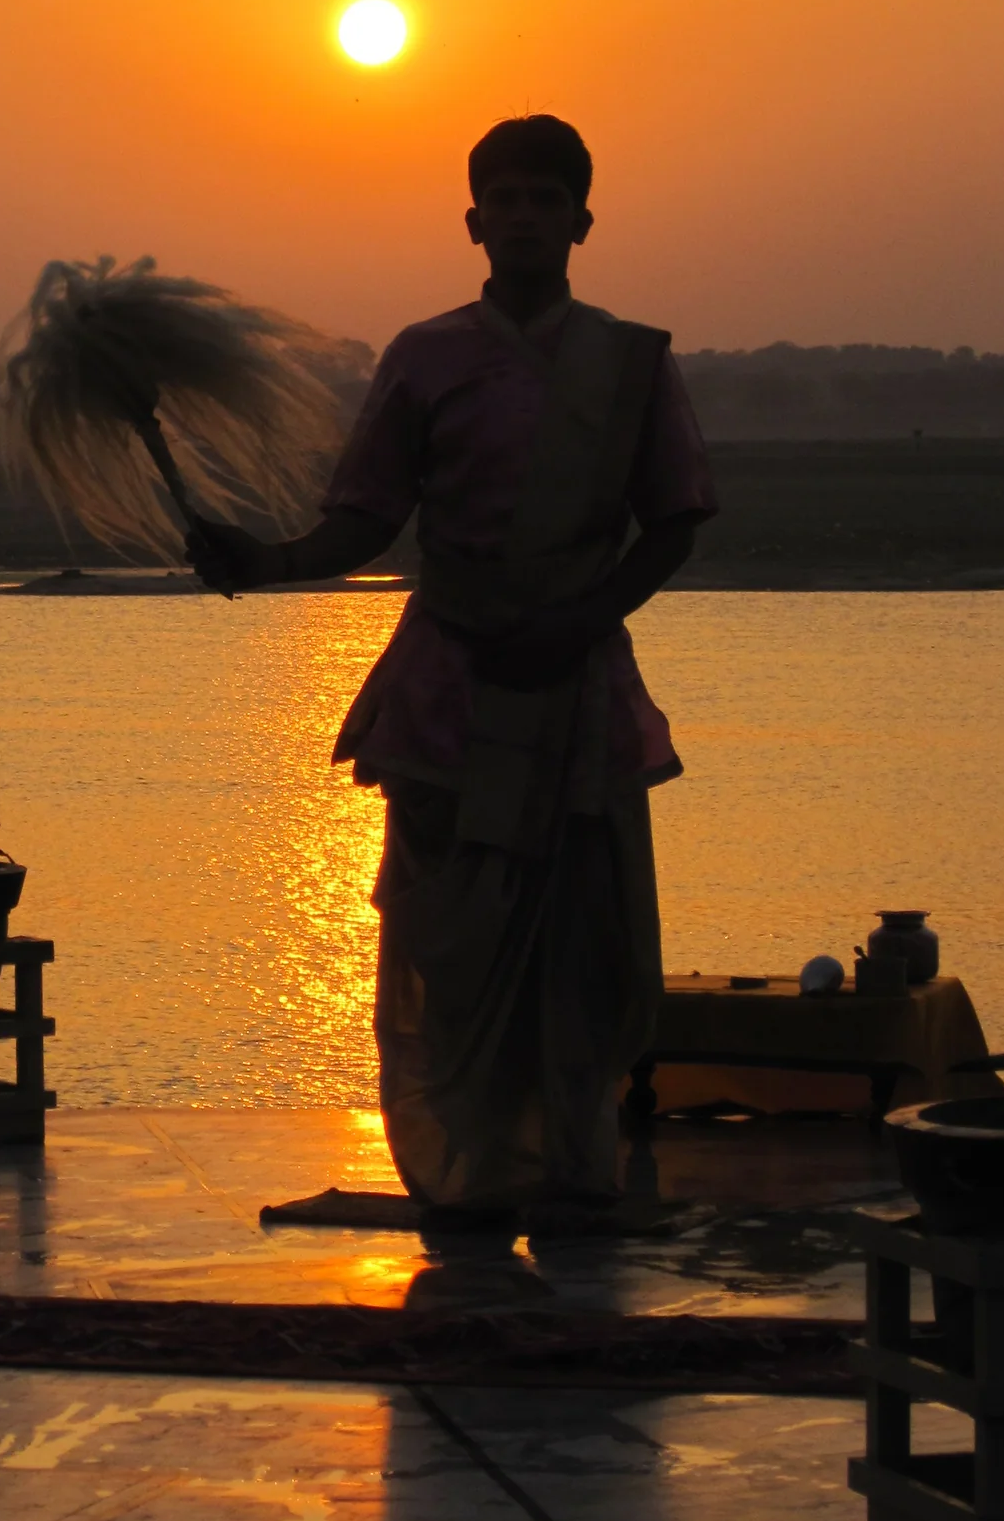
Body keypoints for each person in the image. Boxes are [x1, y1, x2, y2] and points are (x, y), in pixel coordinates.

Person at [187, 116, 716, 1227]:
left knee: (582, 944)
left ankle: (572, 1170)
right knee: (450, 941)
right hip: (447, 690)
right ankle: (471, 1174)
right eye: (502, 198)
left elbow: (670, 523)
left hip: (576, 690)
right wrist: (263, 560)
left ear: (580, 219)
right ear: (471, 221)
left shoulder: (628, 361)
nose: (522, 215)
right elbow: (364, 517)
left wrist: (578, 617)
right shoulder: (423, 356)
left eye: (544, 197)